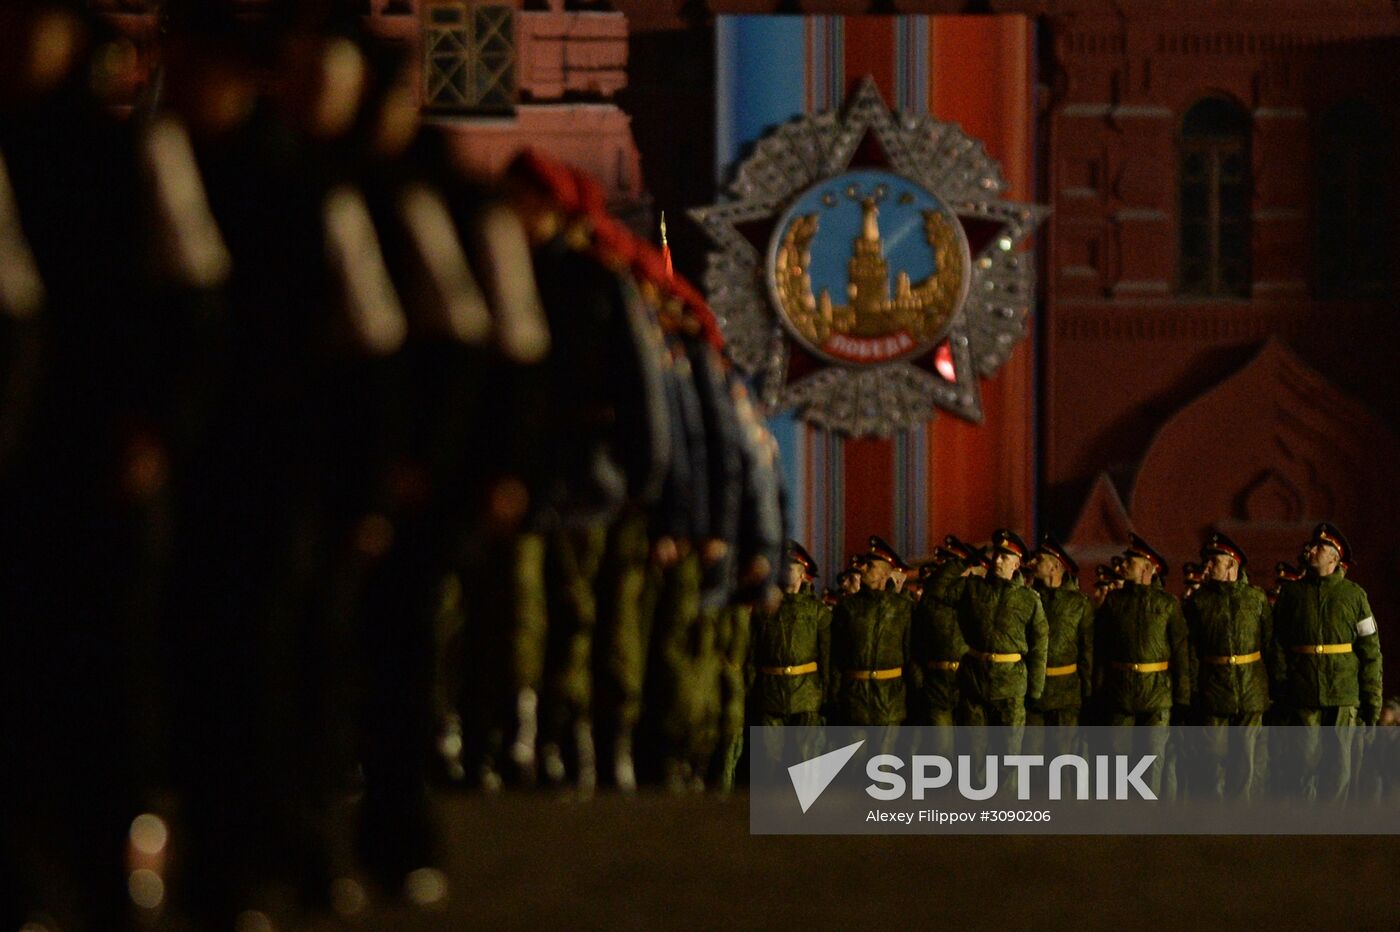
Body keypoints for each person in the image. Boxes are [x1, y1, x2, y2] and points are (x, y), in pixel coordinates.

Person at [1272, 523, 1383, 802]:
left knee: (1338, 767)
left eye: (1321, 547)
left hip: (1343, 693)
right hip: (1303, 690)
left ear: (1335, 558)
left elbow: (1370, 651)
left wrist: (1372, 702)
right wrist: (1284, 682)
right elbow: (1277, 643)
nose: (1312, 550)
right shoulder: (1292, 595)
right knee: (1304, 762)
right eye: (1313, 545)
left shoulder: (1354, 596)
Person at [1094, 533, 1189, 797]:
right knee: (1116, 754)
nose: (1123, 566)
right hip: (1119, 690)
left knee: (1153, 757)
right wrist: (1098, 689)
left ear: (1147, 568)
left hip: (1157, 693)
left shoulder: (1167, 604)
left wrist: (1182, 695)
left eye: (1131, 561)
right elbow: (1100, 648)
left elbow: (1180, 652)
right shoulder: (1113, 602)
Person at [1183, 532, 1275, 800]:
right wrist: (1192, 687)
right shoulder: (1199, 602)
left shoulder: (1255, 599)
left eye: (1214, 562)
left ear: (1232, 565)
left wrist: (1272, 685)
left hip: (1251, 688)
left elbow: (1270, 644)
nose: (1207, 568)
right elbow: (1190, 649)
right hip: (1214, 688)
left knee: (1245, 758)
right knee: (1213, 754)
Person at [829, 536, 913, 731]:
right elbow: (836, 654)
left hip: (890, 698)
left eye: (869, 566)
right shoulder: (847, 607)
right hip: (855, 698)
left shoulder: (902, 608)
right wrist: (834, 693)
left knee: (884, 761)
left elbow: (909, 652)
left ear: (884, 574)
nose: (862, 569)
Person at [1026, 533, 1093, 728]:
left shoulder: (1079, 604)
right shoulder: (1029, 598)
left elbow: (1087, 652)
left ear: (1055, 567)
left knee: (1063, 755)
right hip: (1033, 692)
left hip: (1066, 694)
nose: (1033, 562)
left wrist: (1087, 693)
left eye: (1039, 559)